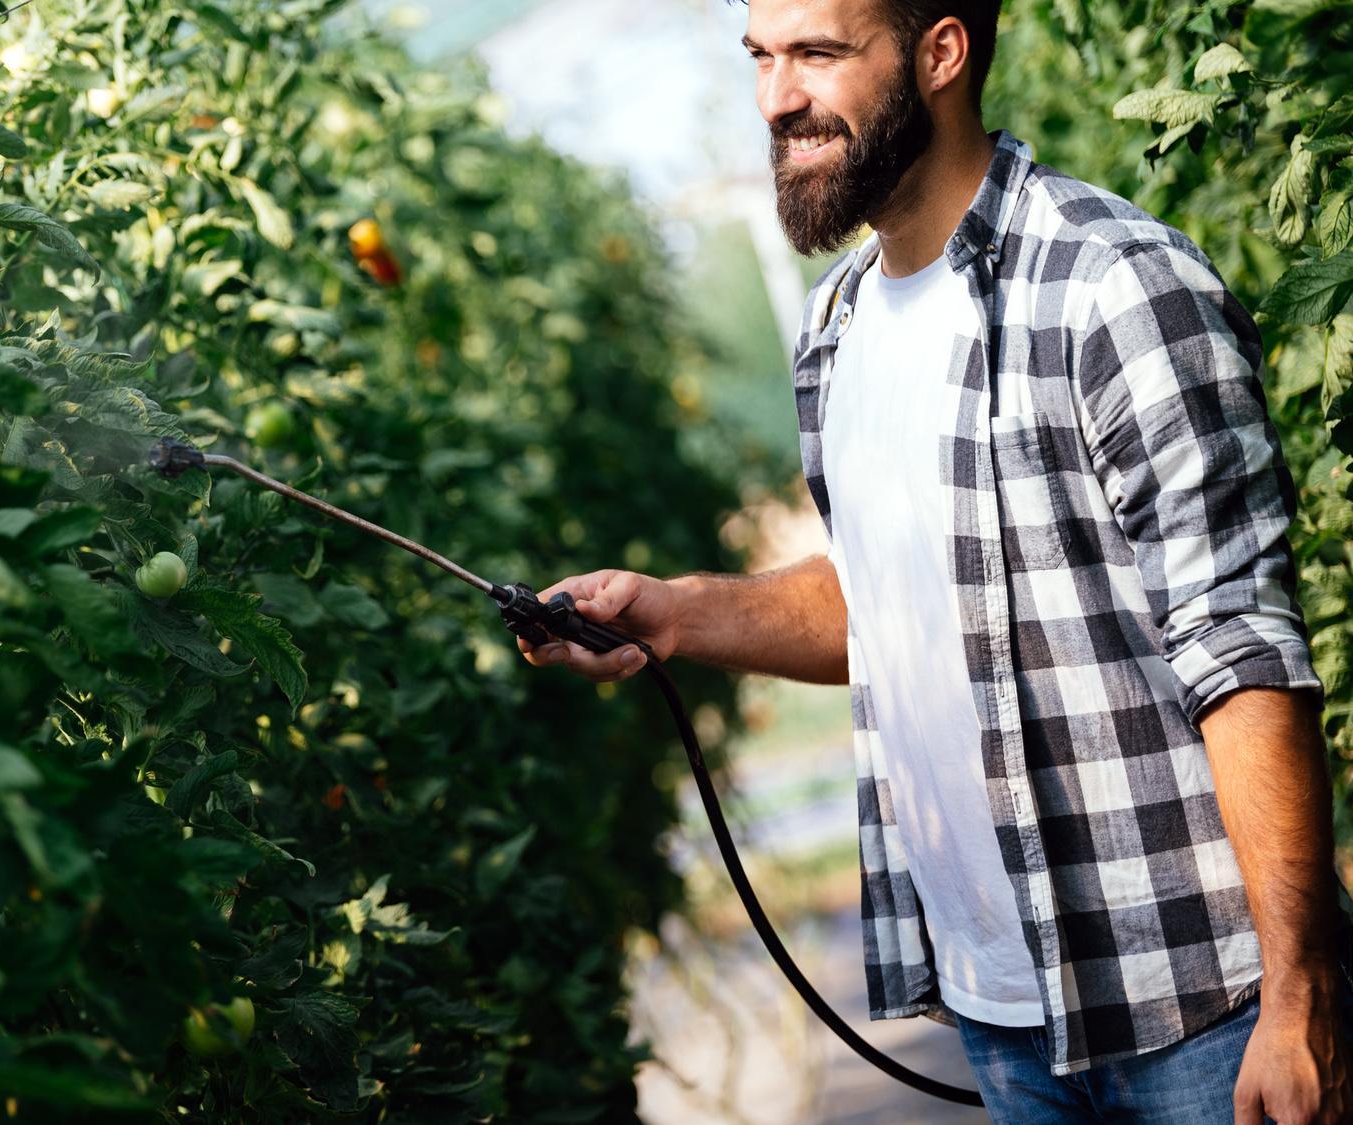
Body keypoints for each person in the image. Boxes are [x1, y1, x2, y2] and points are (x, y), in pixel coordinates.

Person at [519, 0, 1353, 1121]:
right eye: (761, 58)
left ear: (940, 53)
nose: (775, 99)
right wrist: (672, 614)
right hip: (1003, 1016)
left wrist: (1300, 995)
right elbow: (894, 599)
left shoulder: (1111, 287)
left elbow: (1239, 648)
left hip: (1198, 1004)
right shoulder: (835, 332)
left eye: (817, 54)